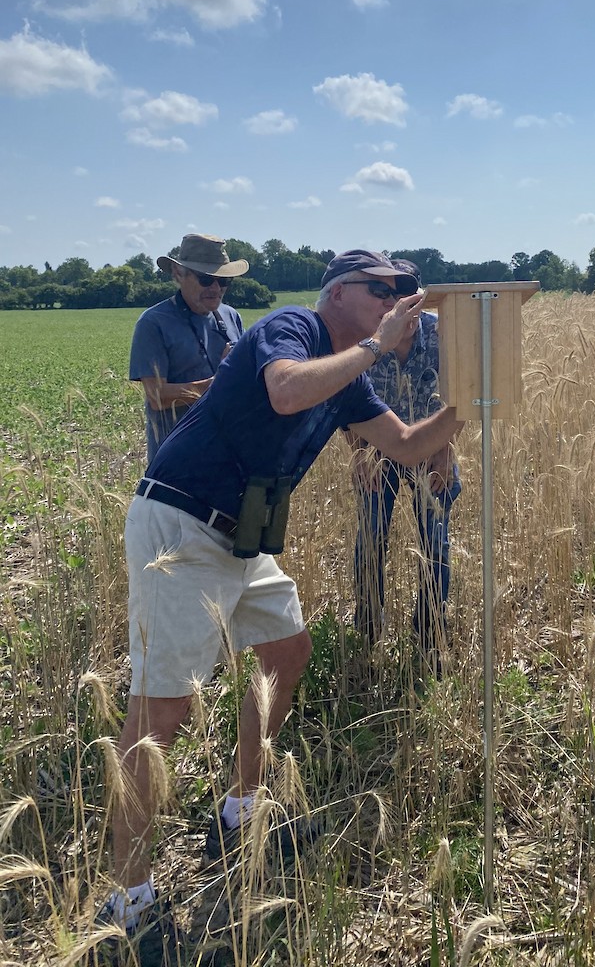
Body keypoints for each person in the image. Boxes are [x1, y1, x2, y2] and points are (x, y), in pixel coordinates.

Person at [98, 249, 464, 961]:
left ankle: (241, 809)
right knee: (161, 710)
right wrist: (374, 344)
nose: (403, 299)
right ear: (338, 294)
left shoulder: (350, 376)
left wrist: (467, 409)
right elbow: (287, 393)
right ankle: (127, 901)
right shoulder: (291, 329)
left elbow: (408, 444)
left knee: (287, 654)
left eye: (409, 291)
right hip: (181, 524)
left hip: (242, 538)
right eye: (386, 288)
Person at [349, 258, 461, 664]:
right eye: (396, 303)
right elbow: (346, 401)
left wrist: (444, 454)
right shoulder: (366, 343)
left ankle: (430, 636)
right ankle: (368, 631)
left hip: (432, 449)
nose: (407, 314)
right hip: (376, 451)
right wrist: (359, 455)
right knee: (371, 538)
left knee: (435, 541)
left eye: (413, 303)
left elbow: (458, 397)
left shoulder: (440, 333)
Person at [129, 234, 247, 465]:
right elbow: (156, 397)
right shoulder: (153, 323)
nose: (216, 288)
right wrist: (220, 379)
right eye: (206, 279)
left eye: (224, 281)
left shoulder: (231, 316)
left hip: (228, 458)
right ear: (178, 274)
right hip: (177, 463)